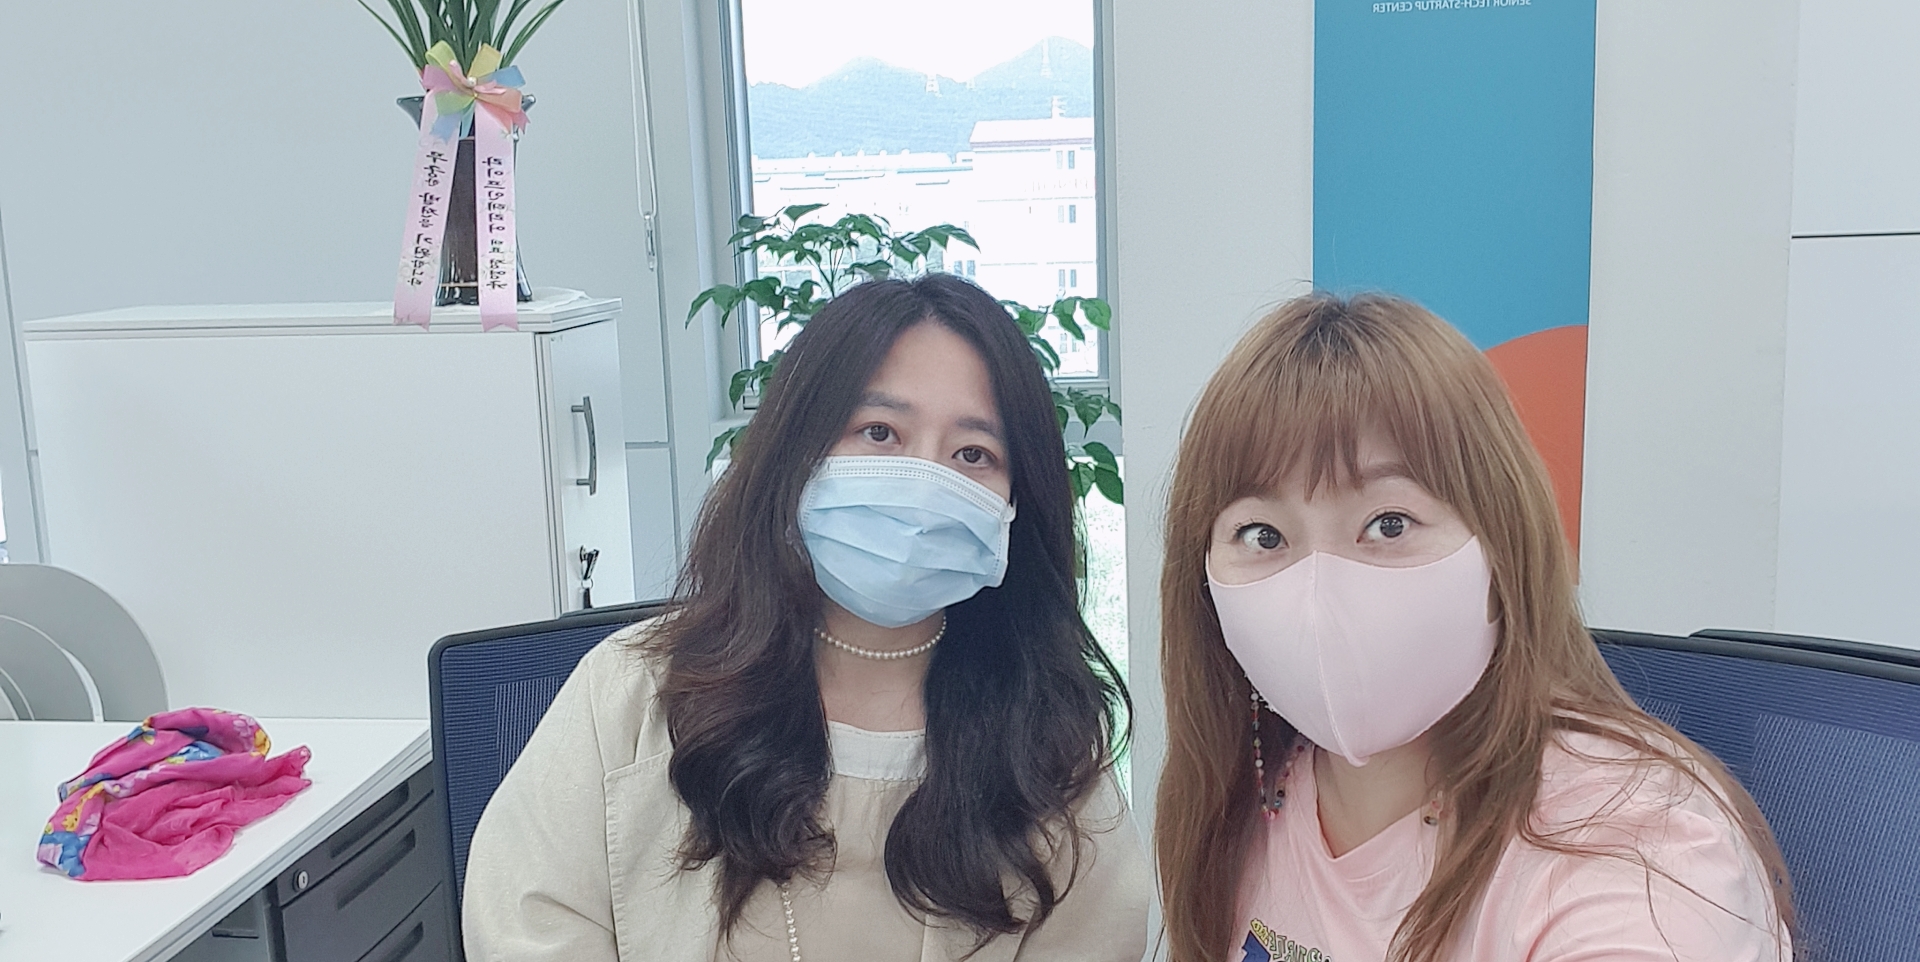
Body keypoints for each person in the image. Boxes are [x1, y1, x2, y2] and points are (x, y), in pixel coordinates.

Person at [463, 273, 1147, 962]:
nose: (923, 484)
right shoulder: (631, 692)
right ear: (799, 453)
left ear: (1015, 499)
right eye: (880, 432)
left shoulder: (1048, 744)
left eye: (973, 454)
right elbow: (530, 922)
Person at [1154, 293, 1792, 962]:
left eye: (1389, 523)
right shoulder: (1239, 801)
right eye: (1262, 534)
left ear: (1499, 543)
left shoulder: (1636, 847)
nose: (1319, 593)